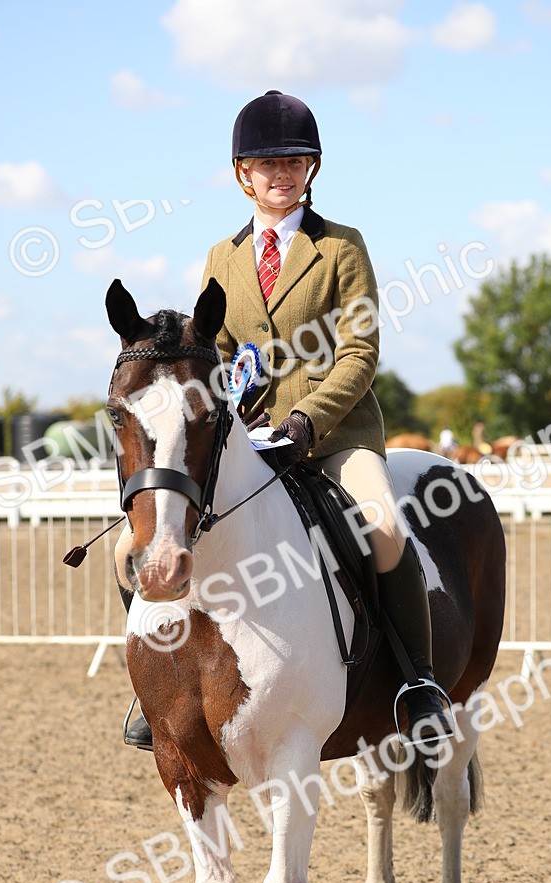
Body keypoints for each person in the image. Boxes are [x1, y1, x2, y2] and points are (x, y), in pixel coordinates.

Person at [121, 90, 451, 750]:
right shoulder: (222, 257)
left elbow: (360, 351)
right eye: (266, 163)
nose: (280, 174)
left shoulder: (342, 248)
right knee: (154, 538)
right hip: (246, 439)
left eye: (294, 163)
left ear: (313, 169)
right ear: (242, 173)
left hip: (333, 436)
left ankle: (418, 682)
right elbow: (209, 354)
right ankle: (155, 690)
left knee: (383, 526)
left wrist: (306, 418)